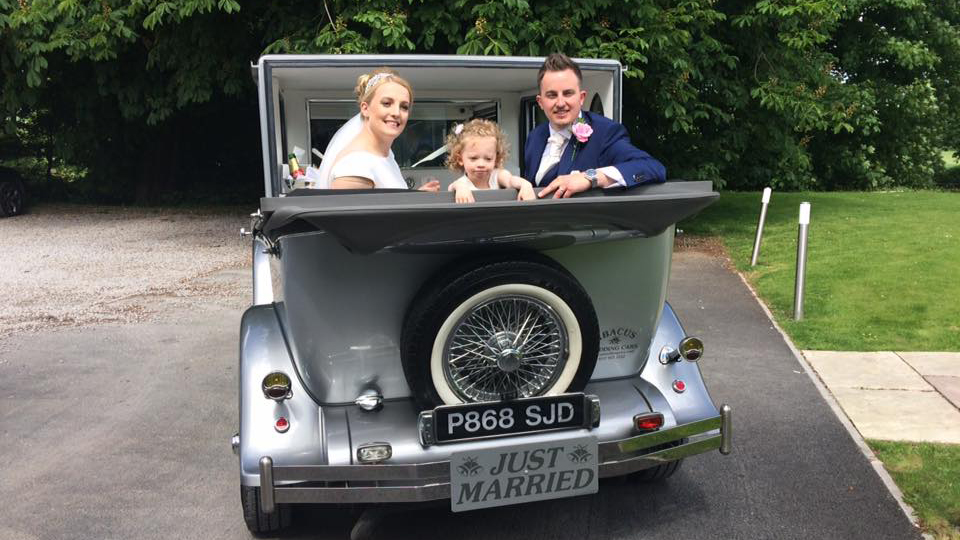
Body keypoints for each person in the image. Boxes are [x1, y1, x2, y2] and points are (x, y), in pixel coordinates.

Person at [522, 53, 666, 199]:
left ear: (581, 97)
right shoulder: (535, 136)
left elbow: (652, 167)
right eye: (552, 95)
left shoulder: (605, 133)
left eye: (568, 93)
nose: (560, 103)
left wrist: (590, 177)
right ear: (540, 102)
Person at [316, 68, 440, 191]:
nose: (396, 113)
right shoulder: (355, 166)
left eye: (404, 107)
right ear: (365, 109)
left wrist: (417, 198)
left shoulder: (384, 155)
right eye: (386, 103)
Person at [445, 119, 536, 204]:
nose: (481, 164)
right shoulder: (462, 184)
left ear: (496, 159)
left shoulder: (497, 176)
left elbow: (510, 180)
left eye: (488, 159)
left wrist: (525, 185)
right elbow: (453, 186)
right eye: (473, 158)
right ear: (460, 159)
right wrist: (461, 188)